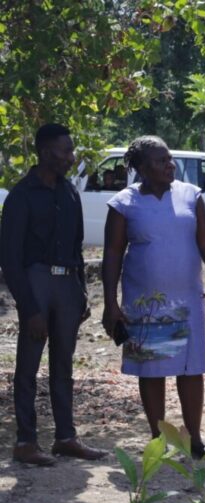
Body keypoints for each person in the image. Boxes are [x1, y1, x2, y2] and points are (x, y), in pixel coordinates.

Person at [101, 135, 205, 460]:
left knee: (190, 370)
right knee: (152, 370)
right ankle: (158, 439)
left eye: (170, 159)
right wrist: (111, 303)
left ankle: (195, 439)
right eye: (161, 161)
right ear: (142, 168)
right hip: (147, 303)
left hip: (186, 299)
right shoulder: (124, 203)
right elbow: (113, 254)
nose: (170, 165)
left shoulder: (190, 195)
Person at [0, 123, 107, 466]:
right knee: (27, 368)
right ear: (46, 152)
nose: (71, 158)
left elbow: (76, 246)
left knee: (63, 365)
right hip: (35, 283)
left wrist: (82, 293)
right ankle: (25, 442)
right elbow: (10, 260)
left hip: (66, 285)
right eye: (66, 151)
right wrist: (29, 308)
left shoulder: (69, 192)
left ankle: (66, 437)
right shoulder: (21, 195)